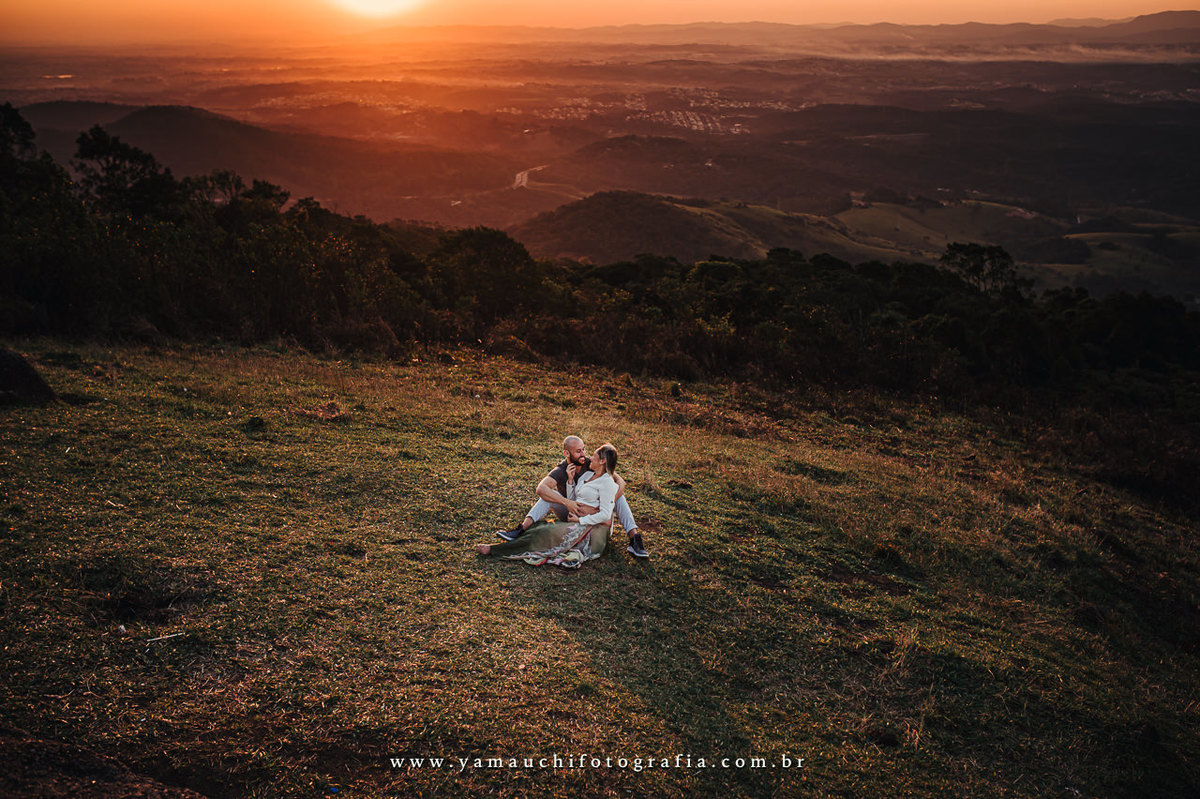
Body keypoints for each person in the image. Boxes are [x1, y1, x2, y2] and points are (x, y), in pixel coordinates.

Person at [494, 435, 649, 559]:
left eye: (584, 449)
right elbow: (541, 489)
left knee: (620, 497)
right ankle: (521, 529)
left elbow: (620, 482)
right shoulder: (563, 469)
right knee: (547, 496)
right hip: (571, 509)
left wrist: (599, 508)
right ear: (567, 453)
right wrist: (567, 499)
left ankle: (635, 539)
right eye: (578, 451)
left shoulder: (592, 463)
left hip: (592, 513)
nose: (584, 455)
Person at [476, 444, 619, 567]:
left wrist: (580, 520)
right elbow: (573, 498)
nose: (589, 458)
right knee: (541, 528)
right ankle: (515, 538)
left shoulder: (607, 483)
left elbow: (606, 515)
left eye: (594, 456)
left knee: (546, 533)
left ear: (602, 461)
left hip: (592, 528)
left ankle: (498, 550)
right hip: (577, 520)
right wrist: (570, 481)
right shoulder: (587, 475)